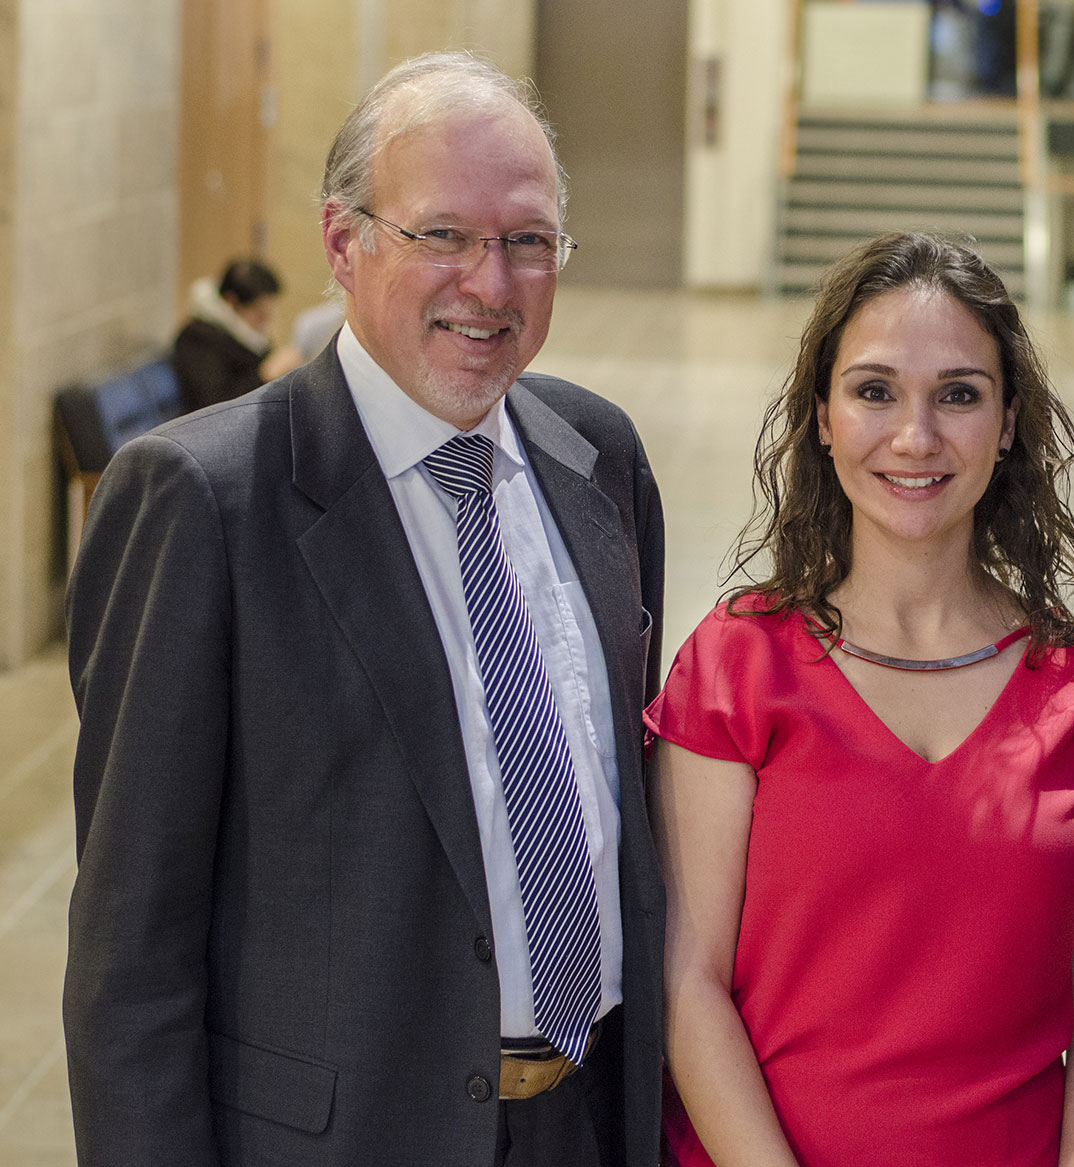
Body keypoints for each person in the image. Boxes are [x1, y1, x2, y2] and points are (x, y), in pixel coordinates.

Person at [65, 52, 665, 1167]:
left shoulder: (602, 463)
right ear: (343, 243)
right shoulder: (205, 502)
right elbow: (130, 962)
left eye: (527, 240)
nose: (491, 283)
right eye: (443, 234)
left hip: (588, 1119)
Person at [649, 232, 1074, 1167]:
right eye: (874, 390)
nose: (916, 436)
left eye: (960, 394)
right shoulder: (735, 668)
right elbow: (688, 984)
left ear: (1009, 421)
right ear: (821, 415)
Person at [172, 257, 303, 413]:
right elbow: (213, 406)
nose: (265, 322)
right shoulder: (198, 338)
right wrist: (266, 374)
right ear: (231, 301)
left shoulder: (247, 333)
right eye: (260, 314)